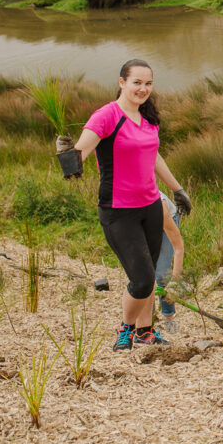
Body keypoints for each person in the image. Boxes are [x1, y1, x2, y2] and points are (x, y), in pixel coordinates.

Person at [57, 59, 191, 349]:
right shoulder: (106, 116)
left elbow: (154, 156)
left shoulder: (148, 119)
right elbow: (79, 157)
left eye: (148, 84)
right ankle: (125, 329)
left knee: (150, 275)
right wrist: (67, 156)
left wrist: (177, 190)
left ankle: (145, 332)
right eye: (137, 83)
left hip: (151, 207)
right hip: (119, 211)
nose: (143, 89)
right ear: (122, 83)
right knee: (141, 279)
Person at [154, 190, 186, 333]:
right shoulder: (127, 205)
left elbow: (178, 247)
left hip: (167, 221)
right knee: (143, 275)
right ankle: (146, 320)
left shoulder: (160, 207)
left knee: (162, 273)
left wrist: (174, 281)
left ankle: (169, 318)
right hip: (143, 224)